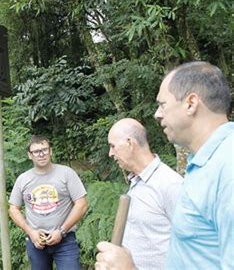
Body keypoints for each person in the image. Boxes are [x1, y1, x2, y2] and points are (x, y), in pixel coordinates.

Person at [96, 61, 233, 269]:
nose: (157, 114)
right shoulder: (204, 166)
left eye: (162, 105)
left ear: (191, 103)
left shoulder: (228, 167)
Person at [107, 118, 182, 269]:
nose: (110, 153)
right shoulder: (137, 181)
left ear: (130, 143)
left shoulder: (170, 184)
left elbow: (192, 245)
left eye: (113, 146)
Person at [9, 135, 88, 270]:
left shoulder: (66, 173)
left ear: (50, 151)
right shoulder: (23, 179)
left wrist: (61, 231)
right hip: (36, 242)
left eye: (44, 150)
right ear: (30, 155)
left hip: (65, 240)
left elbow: (82, 204)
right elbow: (13, 209)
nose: (41, 154)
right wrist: (30, 232)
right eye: (36, 151)